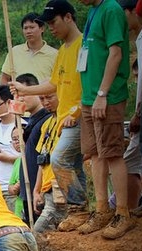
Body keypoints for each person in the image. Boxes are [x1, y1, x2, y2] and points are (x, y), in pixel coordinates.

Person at [9, 1, 88, 232]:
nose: (51, 28)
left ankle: (78, 206)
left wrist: (79, 110)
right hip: (63, 116)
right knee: (73, 164)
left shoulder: (83, 45)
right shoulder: (63, 50)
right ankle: (79, 209)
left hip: (77, 115)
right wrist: (24, 90)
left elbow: (88, 83)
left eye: (53, 22)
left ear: (68, 18)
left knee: (59, 159)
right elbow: (52, 84)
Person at [76, 0, 134, 239]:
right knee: (94, 153)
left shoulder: (111, 9)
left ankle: (123, 213)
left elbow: (116, 53)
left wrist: (102, 93)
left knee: (112, 152)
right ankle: (102, 208)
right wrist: (87, 96)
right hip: (89, 97)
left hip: (106, 96)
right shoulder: (93, 10)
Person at [15, 73, 52, 225]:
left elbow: (44, 159)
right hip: (27, 189)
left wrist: (39, 190)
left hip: (39, 190)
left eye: (23, 94)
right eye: (17, 96)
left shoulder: (47, 119)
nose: (20, 99)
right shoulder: (29, 121)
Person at [119, 0, 142, 211]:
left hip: (141, 110)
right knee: (132, 160)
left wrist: (138, 113)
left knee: (133, 160)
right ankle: (133, 207)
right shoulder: (140, 38)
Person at [33, 91, 69, 232]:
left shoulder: (69, 120)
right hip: (47, 189)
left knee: (37, 232)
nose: (45, 102)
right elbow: (42, 161)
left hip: (62, 185)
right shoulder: (46, 124)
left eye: (49, 97)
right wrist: (37, 191)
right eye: (41, 98)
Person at [0, 12, 59, 84]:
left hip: (44, 94)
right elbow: (4, 78)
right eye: (25, 28)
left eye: (32, 27)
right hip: (19, 94)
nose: (28, 31)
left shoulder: (55, 54)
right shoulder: (14, 51)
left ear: (42, 28)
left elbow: (59, 82)